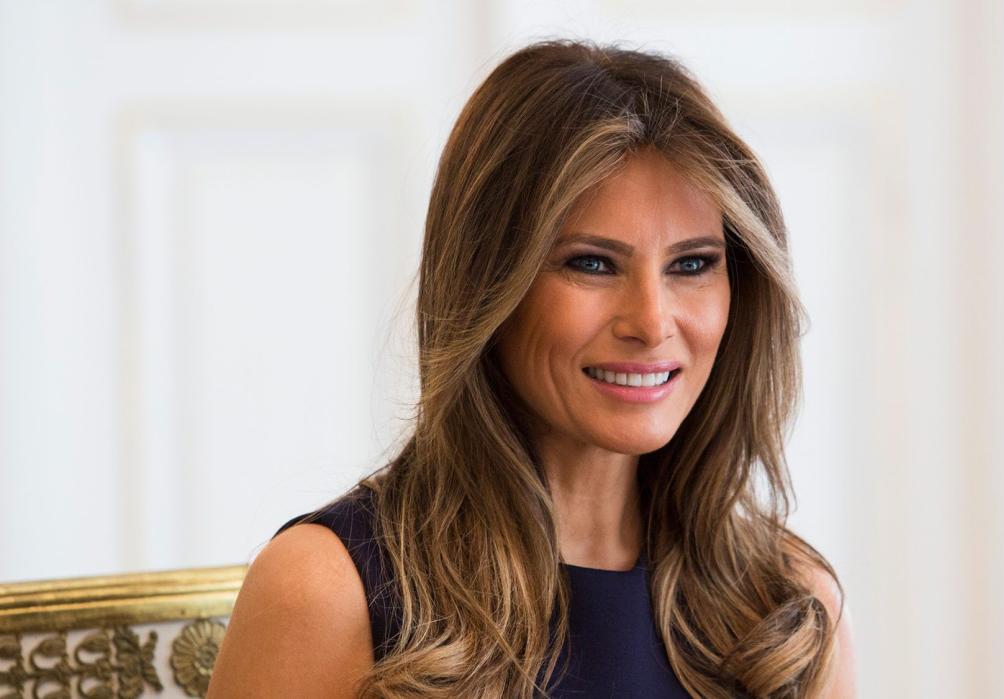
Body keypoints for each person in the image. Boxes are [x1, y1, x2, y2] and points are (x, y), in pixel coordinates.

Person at [207, 38, 856, 699]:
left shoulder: (789, 609)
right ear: (488, 283)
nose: (653, 322)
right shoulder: (324, 590)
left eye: (692, 264)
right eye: (592, 263)